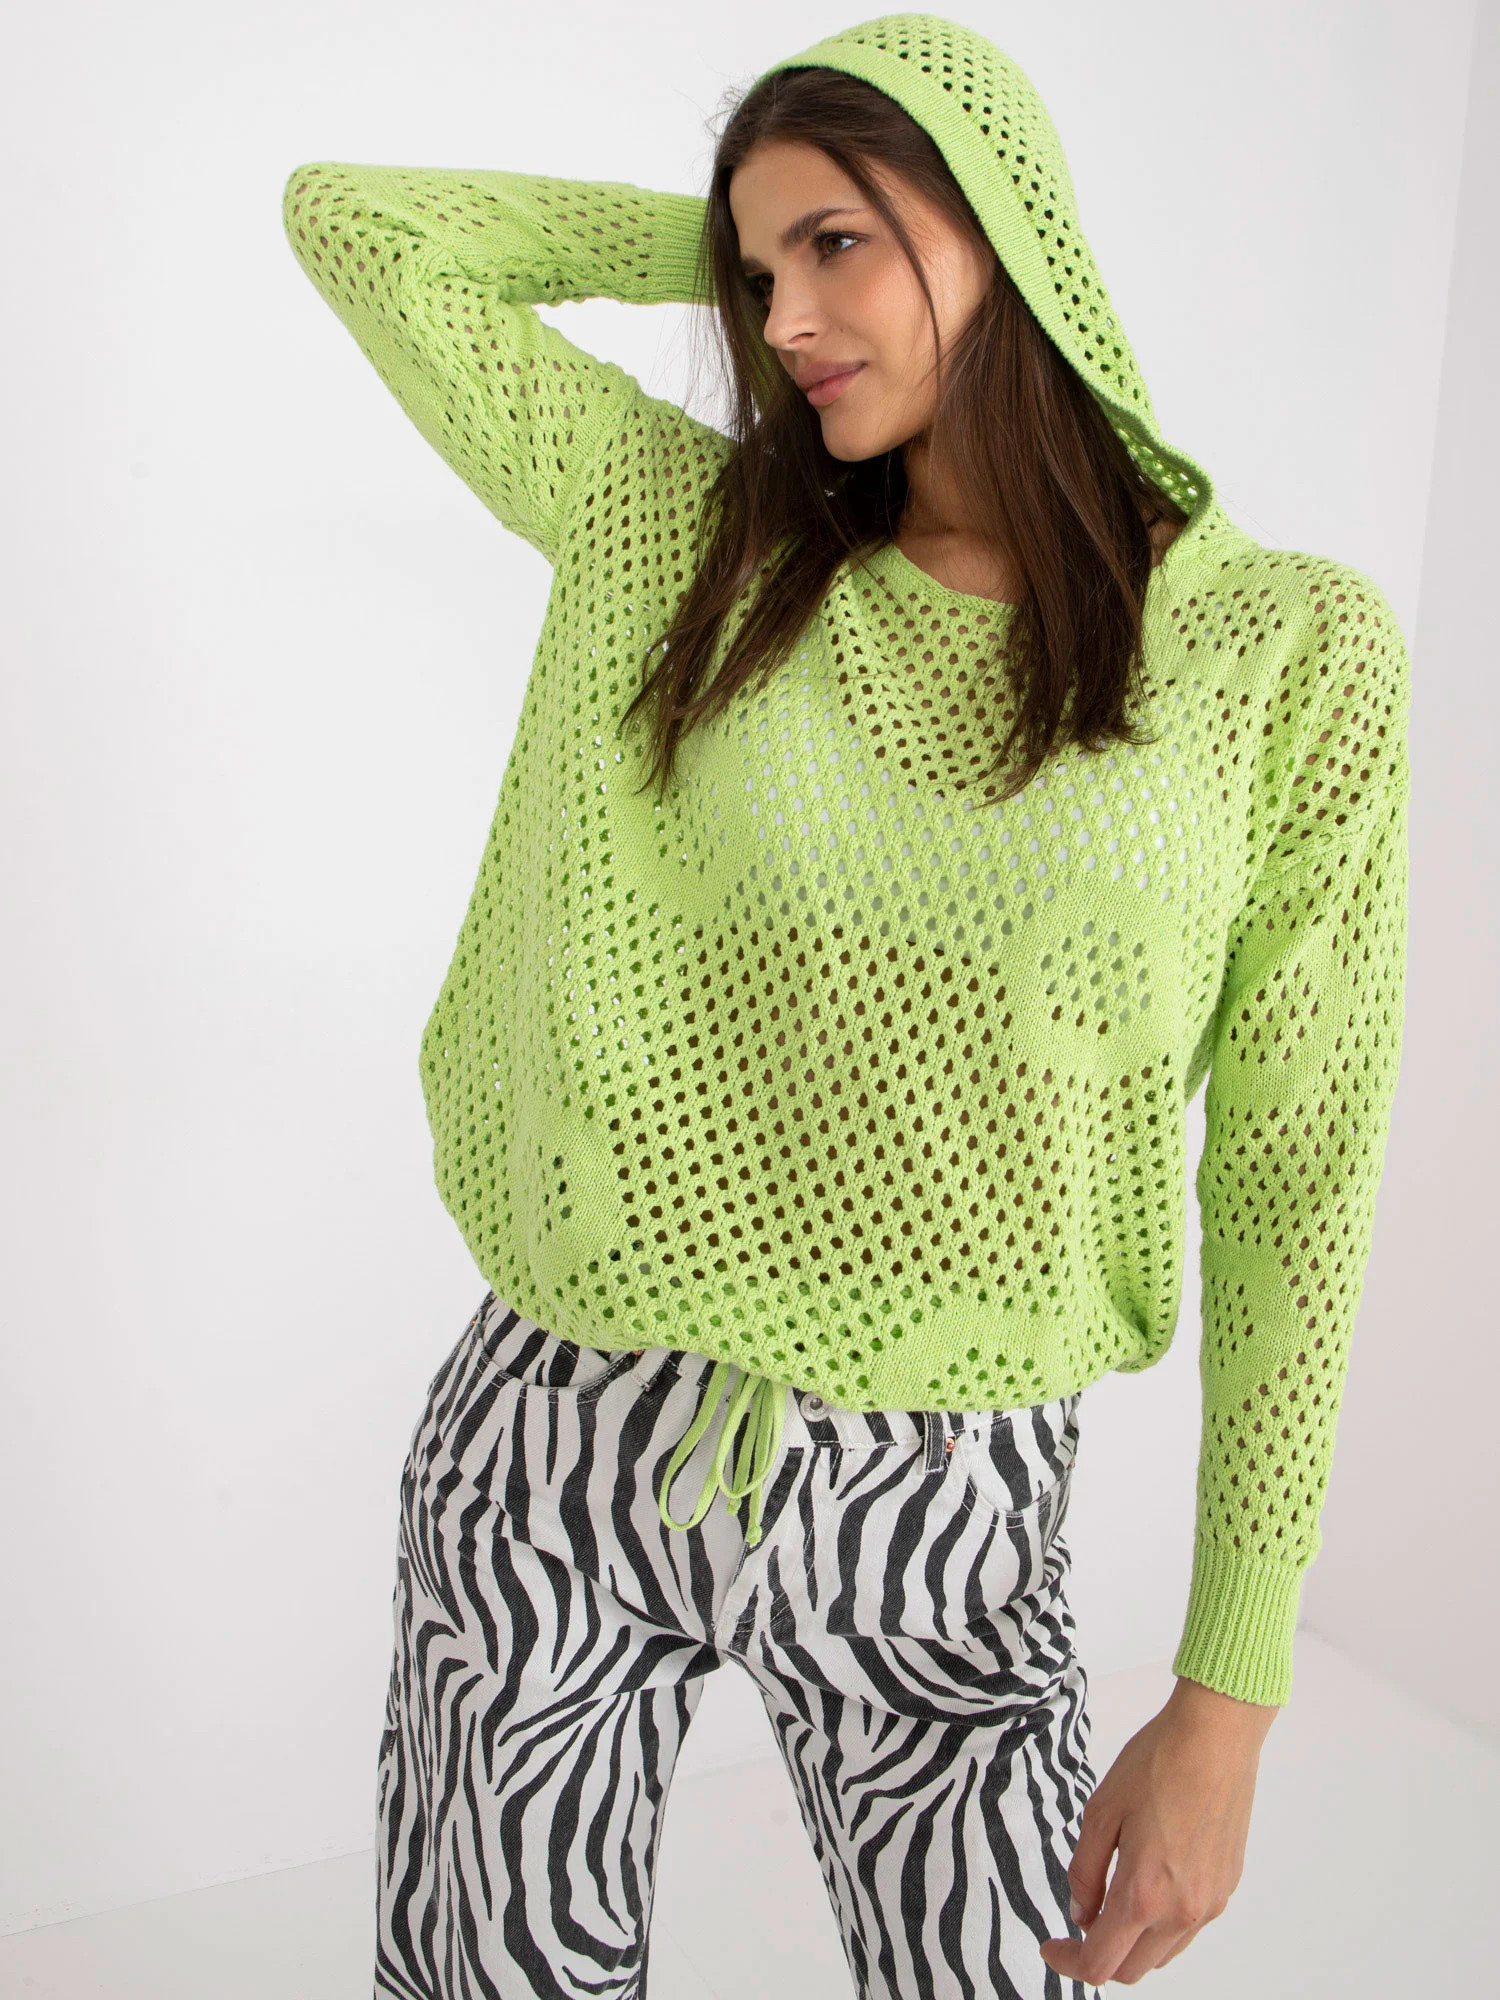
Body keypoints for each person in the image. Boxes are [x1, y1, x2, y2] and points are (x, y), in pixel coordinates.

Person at [281, 12, 1411, 1997]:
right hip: (564, 1434)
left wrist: (1228, 1696)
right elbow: (356, 224)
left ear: (1004, 230)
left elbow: (1296, 1186)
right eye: (759, 271)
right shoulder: (686, 529)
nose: (786, 318)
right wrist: (716, 245)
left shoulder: (1283, 650)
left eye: (839, 243)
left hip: (945, 1500)